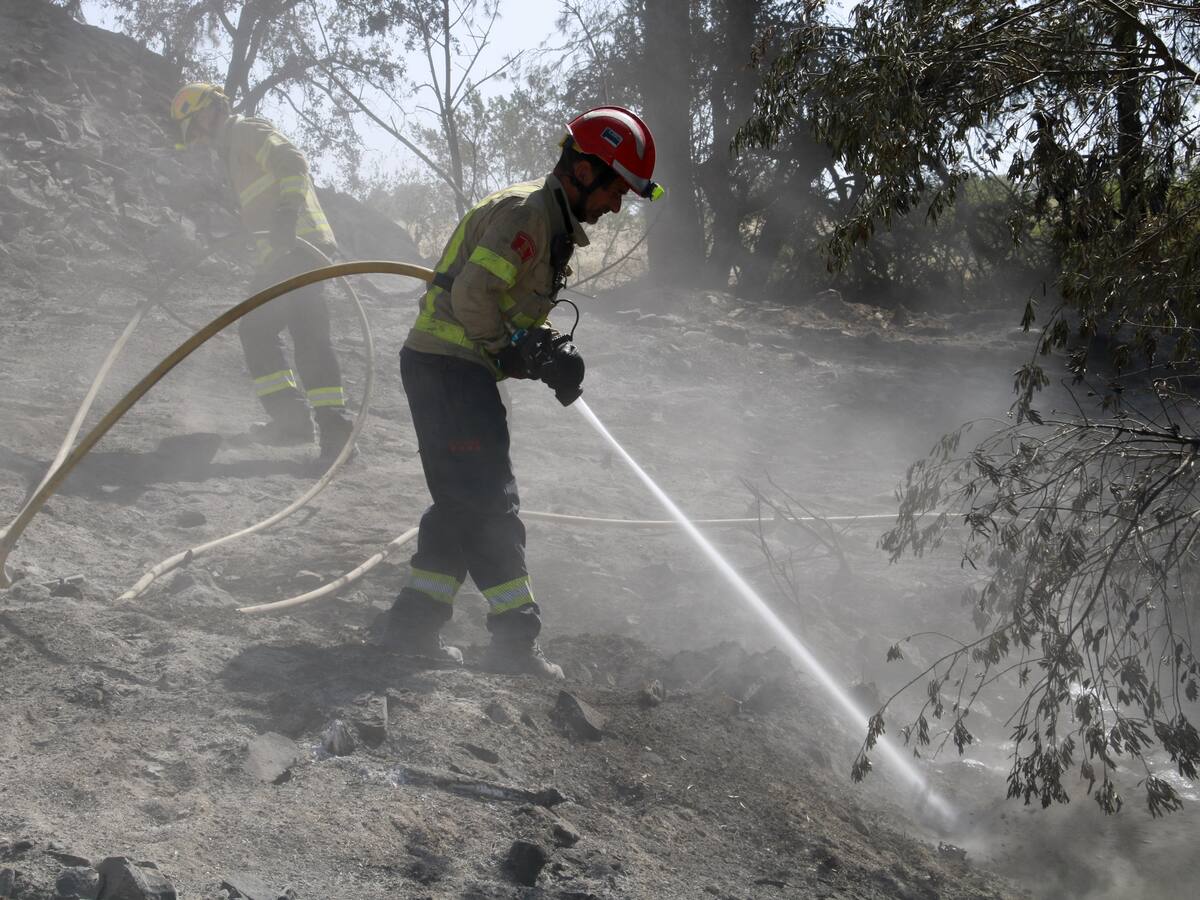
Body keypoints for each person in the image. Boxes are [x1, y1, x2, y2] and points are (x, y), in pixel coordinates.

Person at [380, 106, 663, 679]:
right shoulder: (527, 214)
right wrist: (514, 349)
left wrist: (546, 346)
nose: (615, 206)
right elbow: (473, 300)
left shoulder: (546, 220)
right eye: (615, 190)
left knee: (462, 498)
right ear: (584, 172)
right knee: (488, 501)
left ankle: (411, 625)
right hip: (449, 368)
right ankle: (514, 640)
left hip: (455, 369)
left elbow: (505, 301)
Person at [169, 82, 353, 464]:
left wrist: (287, 213)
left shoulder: (245, 131)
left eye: (196, 127)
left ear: (208, 111)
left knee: (259, 328)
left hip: (298, 248)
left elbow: (294, 162)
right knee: (307, 334)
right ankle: (326, 430)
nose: (199, 137)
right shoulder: (233, 153)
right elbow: (263, 199)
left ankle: (297, 422)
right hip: (287, 252)